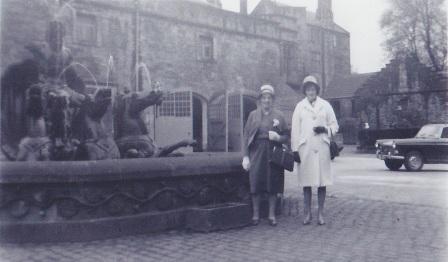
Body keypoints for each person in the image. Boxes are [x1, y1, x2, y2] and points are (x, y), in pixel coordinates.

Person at [291, 76, 339, 225]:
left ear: (317, 90)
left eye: (313, 89)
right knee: (307, 182)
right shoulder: (300, 107)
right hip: (306, 149)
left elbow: (335, 126)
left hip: (322, 147)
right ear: (304, 90)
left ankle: (320, 214)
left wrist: (325, 129)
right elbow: (295, 130)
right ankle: (307, 214)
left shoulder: (325, 105)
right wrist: (295, 150)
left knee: (321, 182)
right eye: (308, 89)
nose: (310, 91)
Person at [242, 84, 289, 226]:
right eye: (264, 98)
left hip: (273, 152)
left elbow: (286, 136)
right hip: (257, 151)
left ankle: (271, 215)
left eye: (269, 98)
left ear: (272, 100)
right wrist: (245, 156)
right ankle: (256, 215)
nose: (266, 101)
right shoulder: (252, 115)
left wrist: (278, 138)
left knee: (273, 183)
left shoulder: (279, 115)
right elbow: (245, 136)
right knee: (255, 181)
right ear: (260, 100)